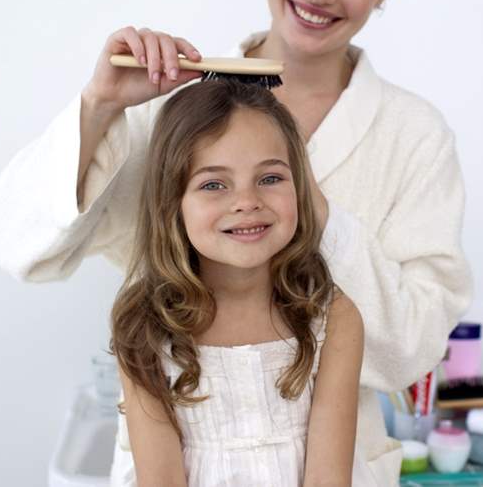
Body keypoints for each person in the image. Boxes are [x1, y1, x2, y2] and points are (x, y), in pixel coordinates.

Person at [0, 0, 473, 485]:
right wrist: (101, 105)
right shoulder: (172, 107)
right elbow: (20, 249)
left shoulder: (415, 137)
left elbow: (410, 352)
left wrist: (307, 198)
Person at [110, 78, 366, 486]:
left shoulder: (333, 317)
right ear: (172, 203)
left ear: (298, 188)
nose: (247, 201)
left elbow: (329, 480)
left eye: (269, 178)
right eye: (213, 184)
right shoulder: (144, 326)